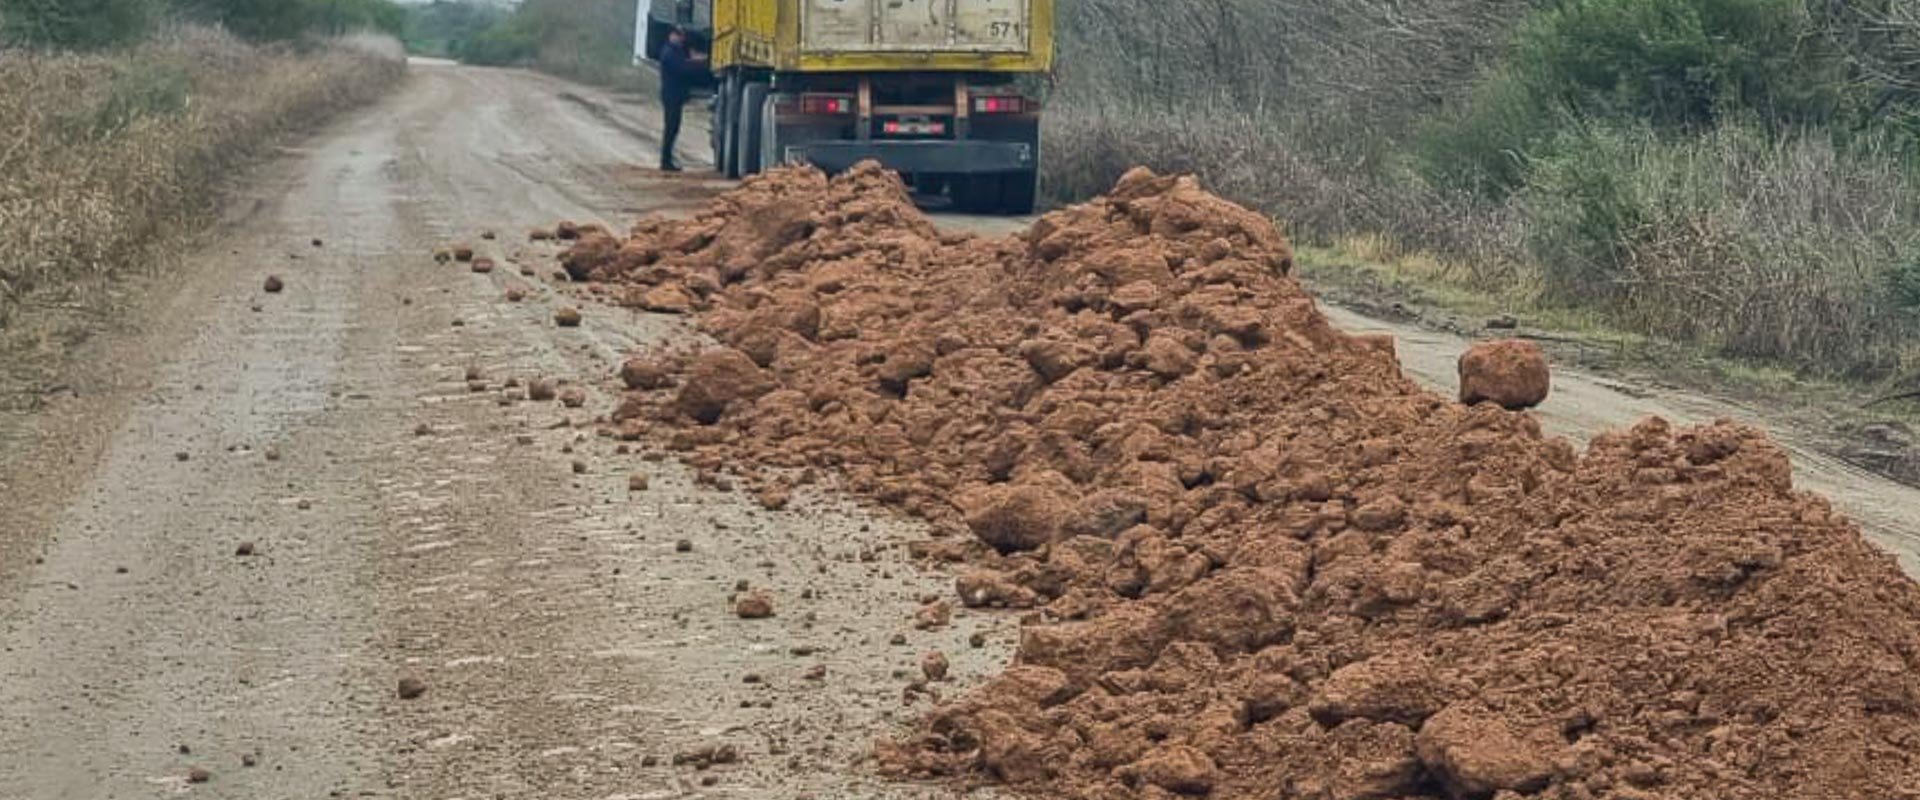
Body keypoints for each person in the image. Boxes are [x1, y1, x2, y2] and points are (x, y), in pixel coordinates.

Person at [658, 26, 708, 172]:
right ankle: (666, 160)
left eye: (682, 35)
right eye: (679, 35)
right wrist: (699, 63)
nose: (681, 38)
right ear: (671, 35)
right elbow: (683, 69)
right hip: (671, 96)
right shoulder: (669, 52)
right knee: (671, 128)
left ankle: (667, 159)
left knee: (673, 128)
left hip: (674, 96)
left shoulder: (674, 51)